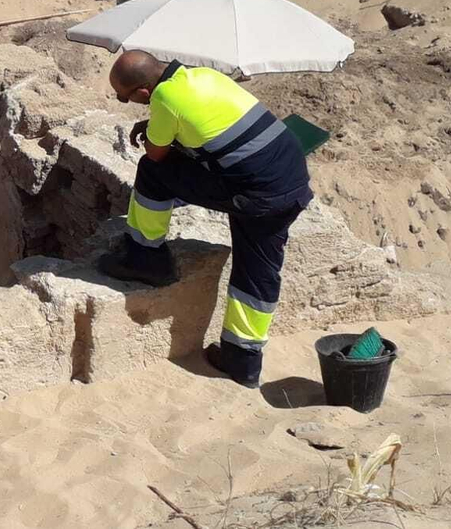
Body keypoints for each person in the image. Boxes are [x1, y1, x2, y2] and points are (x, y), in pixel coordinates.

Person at [104, 50, 314, 389]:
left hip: (257, 194)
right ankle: (243, 360)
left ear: (143, 91)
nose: (127, 102)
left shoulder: (165, 98)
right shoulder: (200, 75)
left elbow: (156, 154)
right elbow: (204, 125)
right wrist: (159, 125)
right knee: (258, 270)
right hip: (288, 178)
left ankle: (145, 257)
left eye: (125, 97)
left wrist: (156, 129)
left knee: (152, 173)